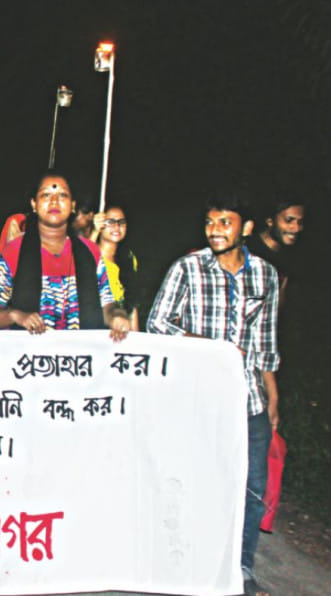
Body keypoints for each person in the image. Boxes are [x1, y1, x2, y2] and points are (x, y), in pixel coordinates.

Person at [146, 194, 279, 596]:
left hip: (249, 400)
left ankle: (240, 568)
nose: (215, 230)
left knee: (251, 488)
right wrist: (210, 347)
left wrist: (273, 399)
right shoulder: (187, 268)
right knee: (194, 481)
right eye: (210, 222)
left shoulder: (266, 275)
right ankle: (183, 563)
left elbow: (266, 342)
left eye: (225, 222)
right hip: (197, 397)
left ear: (246, 228)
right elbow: (157, 324)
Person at [0, 171, 130, 340]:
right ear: (34, 204)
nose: (54, 201)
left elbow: (107, 306)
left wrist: (117, 316)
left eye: (62, 195)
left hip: (80, 352)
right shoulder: (14, 252)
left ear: (73, 205)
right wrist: (15, 315)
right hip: (29, 353)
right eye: (46, 195)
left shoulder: (90, 252)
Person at [89, 205, 142, 330]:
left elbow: (131, 303)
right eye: (110, 222)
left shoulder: (129, 258)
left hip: (122, 328)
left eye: (121, 222)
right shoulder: (92, 257)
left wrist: (135, 335)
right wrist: (94, 232)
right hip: (95, 328)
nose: (117, 226)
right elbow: (82, 258)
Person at [246, 196, 305, 298]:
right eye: (289, 220)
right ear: (270, 221)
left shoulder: (292, 255)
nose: (297, 228)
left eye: (300, 222)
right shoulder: (247, 251)